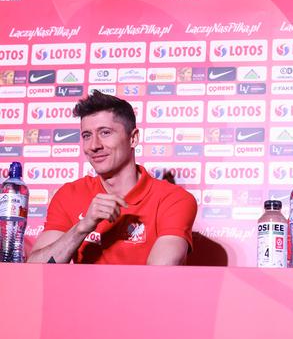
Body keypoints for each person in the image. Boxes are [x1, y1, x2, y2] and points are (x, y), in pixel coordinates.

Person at [28, 91, 197, 265]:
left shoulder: (174, 199)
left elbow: (160, 274)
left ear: (133, 138)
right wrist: (82, 228)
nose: (94, 145)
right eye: (87, 135)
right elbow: (34, 269)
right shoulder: (69, 194)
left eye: (105, 133)